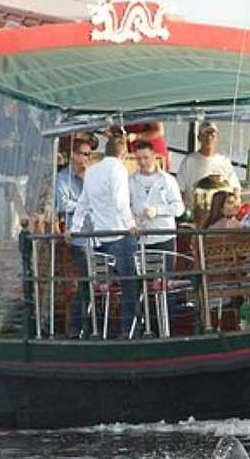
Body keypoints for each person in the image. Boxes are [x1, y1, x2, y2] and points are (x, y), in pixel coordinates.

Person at [72, 133, 139, 338]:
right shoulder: (118, 168)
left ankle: (88, 328)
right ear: (123, 154)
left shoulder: (92, 171)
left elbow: (83, 202)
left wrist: (75, 227)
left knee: (96, 285)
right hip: (120, 235)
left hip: (100, 239)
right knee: (130, 286)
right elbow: (120, 201)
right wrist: (131, 224)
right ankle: (129, 330)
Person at [0, 95, 38, 239]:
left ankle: (15, 245)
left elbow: (34, 139)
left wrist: (18, 145)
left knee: (17, 214)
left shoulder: (25, 113)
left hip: (20, 170)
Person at [129, 140, 184, 256]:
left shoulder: (168, 180)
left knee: (166, 274)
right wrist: (131, 222)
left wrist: (157, 211)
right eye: (138, 159)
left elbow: (179, 208)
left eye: (146, 158)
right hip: (141, 239)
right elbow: (126, 207)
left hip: (164, 237)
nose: (142, 162)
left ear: (154, 156)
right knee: (142, 273)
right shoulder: (130, 181)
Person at [175, 121, 241, 205]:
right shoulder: (188, 161)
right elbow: (179, 190)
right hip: (195, 212)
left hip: (219, 212)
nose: (209, 137)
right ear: (199, 138)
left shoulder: (224, 161)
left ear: (217, 138)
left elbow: (236, 188)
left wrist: (234, 200)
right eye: (205, 134)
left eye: (213, 134)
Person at [54, 134, 95, 227]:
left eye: (89, 154)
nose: (89, 158)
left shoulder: (91, 175)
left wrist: (86, 179)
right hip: (78, 234)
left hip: (95, 232)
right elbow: (63, 204)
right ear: (73, 154)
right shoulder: (63, 177)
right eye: (86, 154)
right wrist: (85, 206)